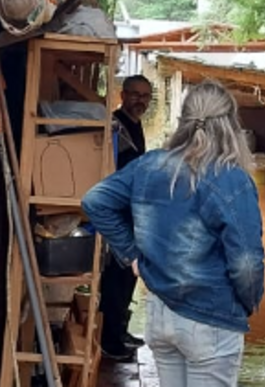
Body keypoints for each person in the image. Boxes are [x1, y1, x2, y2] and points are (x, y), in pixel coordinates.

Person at [83, 80, 265, 386]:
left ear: (184, 120)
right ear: (231, 124)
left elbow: (95, 201)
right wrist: (248, 303)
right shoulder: (232, 179)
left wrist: (132, 255)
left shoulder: (150, 164)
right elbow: (247, 263)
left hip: (160, 313)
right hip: (211, 320)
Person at [99, 74, 153, 360]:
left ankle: (120, 330)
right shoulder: (117, 126)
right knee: (116, 277)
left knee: (129, 275)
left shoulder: (135, 125)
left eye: (145, 96)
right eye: (135, 94)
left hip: (133, 213)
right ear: (123, 94)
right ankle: (109, 340)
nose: (140, 101)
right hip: (119, 215)